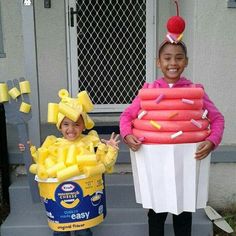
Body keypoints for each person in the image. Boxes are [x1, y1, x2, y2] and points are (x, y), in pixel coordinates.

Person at [119, 40, 225, 236]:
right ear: (158, 62)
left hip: (185, 163)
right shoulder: (149, 91)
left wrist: (212, 140)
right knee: (156, 213)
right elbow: (127, 115)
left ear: (186, 62)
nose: (173, 62)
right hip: (155, 162)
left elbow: (217, 118)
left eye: (179, 57)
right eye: (167, 58)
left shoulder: (195, 91)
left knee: (183, 213)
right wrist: (127, 134)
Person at [19, 93, 120, 236]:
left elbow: (105, 164)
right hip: (59, 197)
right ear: (60, 126)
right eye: (66, 124)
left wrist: (111, 149)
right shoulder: (53, 144)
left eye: (76, 124)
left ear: (83, 125)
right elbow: (40, 162)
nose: (71, 129)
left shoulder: (92, 143)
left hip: (84, 197)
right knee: (60, 232)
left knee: (83, 231)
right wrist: (29, 150)